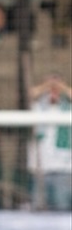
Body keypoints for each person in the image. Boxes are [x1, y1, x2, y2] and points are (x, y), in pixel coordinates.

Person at [28, 72, 72, 211]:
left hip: (63, 169)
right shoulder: (38, 107)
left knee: (62, 207)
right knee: (38, 208)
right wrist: (47, 85)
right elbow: (30, 94)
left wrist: (60, 86)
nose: (53, 91)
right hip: (40, 168)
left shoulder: (67, 108)